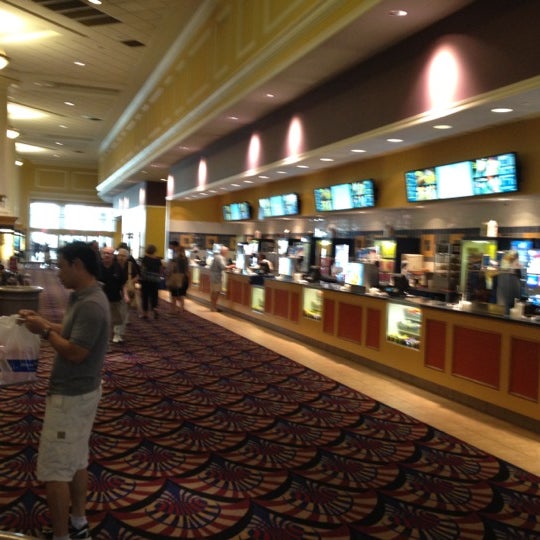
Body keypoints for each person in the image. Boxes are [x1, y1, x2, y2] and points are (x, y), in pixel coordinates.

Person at [19, 241, 110, 540]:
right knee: (76, 461)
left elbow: (75, 352)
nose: (57, 273)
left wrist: (44, 331)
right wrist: (43, 323)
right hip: (80, 392)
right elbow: (72, 334)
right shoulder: (82, 297)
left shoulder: (91, 304)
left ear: (77, 265)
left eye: (61, 266)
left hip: (71, 397)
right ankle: (78, 524)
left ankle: (61, 535)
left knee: (55, 469)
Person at [99, 246, 127, 343]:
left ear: (113, 256)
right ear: (101, 255)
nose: (106, 255)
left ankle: (117, 334)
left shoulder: (117, 267)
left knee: (117, 317)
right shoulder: (97, 266)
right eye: (104, 253)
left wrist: (125, 295)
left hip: (115, 296)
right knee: (100, 317)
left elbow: (123, 283)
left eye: (109, 253)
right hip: (100, 297)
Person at [139, 244, 163, 319]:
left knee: (145, 296)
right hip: (155, 281)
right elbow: (160, 270)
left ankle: (145, 314)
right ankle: (155, 309)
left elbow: (142, 269)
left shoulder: (145, 259)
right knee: (154, 296)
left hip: (146, 280)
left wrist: (141, 278)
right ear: (154, 251)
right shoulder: (158, 260)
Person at [167, 241, 189, 314]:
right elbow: (187, 270)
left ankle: (173, 310)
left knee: (174, 295)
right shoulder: (185, 259)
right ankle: (181, 308)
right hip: (184, 278)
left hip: (176, 278)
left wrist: (168, 275)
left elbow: (172, 269)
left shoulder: (175, 259)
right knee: (181, 294)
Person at [209, 246, 234, 312]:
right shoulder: (220, 258)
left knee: (213, 292)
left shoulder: (216, 257)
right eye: (226, 251)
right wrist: (231, 266)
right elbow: (223, 267)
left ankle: (212, 306)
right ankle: (214, 307)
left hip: (213, 276)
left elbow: (211, 267)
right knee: (216, 292)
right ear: (224, 251)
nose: (227, 253)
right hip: (217, 277)